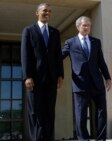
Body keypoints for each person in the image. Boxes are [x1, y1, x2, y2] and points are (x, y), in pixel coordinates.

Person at [61, 16, 111, 141]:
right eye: (84, 25)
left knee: (101, 113)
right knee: (81, 115)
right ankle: (83, 139)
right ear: (77, 26)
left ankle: (101, 139)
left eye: (89, 25)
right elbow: (59, 58)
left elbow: (101, 61)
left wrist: (108, 78)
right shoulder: (70, 42)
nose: (87, 27)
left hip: (97, 82)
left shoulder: (96, 42)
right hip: (80, 83)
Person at [21, 3, 64, 141]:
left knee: (49, 112)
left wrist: (60, 75)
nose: (47, 13)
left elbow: (58, 56)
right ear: (37, 13)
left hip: (51, 79)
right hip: (35, 79)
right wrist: (27, 76)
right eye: (45, 10)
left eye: (50, 11)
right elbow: (25, 54)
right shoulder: (28, 30)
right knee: (35, 112)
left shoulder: (55, 32)